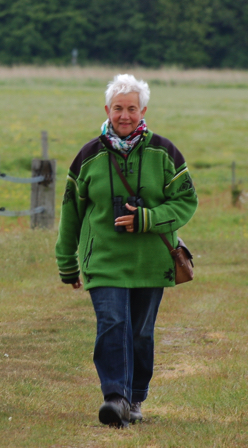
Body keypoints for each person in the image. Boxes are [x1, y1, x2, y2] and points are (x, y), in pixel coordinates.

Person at [55, 74, 197, 428]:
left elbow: (186, 202)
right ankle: (114, 398)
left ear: (143, 110)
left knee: (140, 334)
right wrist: (67, 262)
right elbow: (71, 212)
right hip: (102, 259)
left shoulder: (165, 153)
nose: (125, 115)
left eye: (132, 108)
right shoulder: (88, 156)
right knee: (112, 323)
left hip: (150, 261)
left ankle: (134, 398)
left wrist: (148, 218)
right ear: (107, 109)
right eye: (118, 108)